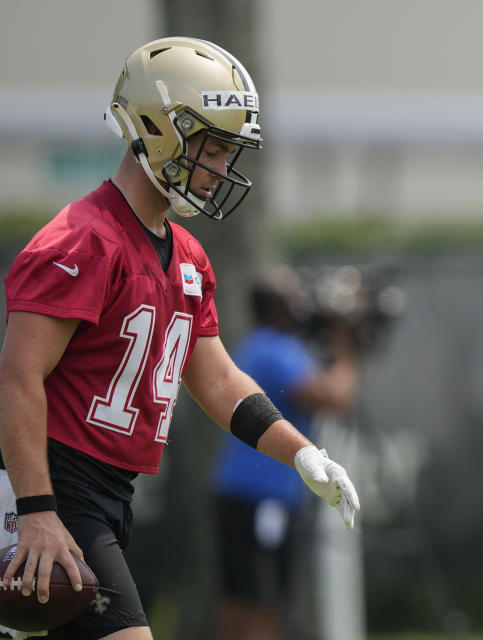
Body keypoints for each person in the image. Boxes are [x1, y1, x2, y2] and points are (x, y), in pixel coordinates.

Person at [0, 37, 359, 640]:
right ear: (156, 129)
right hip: (52, 483)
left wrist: (302, 453)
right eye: (212, 148)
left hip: (109, 491)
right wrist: (36, 510)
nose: (221, 169)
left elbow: (217, 380)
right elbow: (17, 376)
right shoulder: (83, 241)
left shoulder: (186, 255)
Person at [211, 267, 359, 640]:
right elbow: (335, 396)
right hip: (262, 496)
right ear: (279, 309)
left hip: (243, 492)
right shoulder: (278, 351)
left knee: (242, 594)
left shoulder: (256, 345)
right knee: (264, 598)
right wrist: (346, 342)